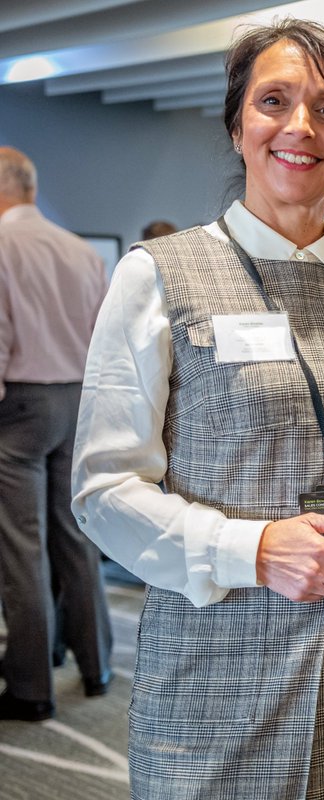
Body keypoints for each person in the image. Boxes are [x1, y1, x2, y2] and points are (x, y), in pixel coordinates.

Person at [71, 19, 324, 799]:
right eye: (273, 101)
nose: (300, 127)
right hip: (219, 670)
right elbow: (103, 492)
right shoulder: (156, 277)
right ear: (238, 126)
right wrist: (252, 549)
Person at [0, 146, 112, 721]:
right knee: (75, 535)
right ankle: (96, 667)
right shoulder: (80, 251)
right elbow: (102, 337)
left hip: (18, 406)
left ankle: (29, 687)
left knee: (21, 547)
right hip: (78, 399)